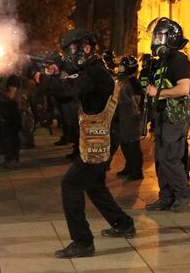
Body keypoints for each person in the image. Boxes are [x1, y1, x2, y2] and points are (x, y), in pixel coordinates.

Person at [33, 29, 135, 259]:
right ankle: (123, 223)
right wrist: (56, 71)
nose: (69, 54)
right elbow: (68, 85)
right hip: (101, 135)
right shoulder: (91, 70)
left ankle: (83, 242)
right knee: (93, 184)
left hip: (103, 137)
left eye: (71, 49)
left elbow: (69, 90)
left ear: (86, 48)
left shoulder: (95, 73)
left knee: (71, 185)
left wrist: (45, 77)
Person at [144, 17, 190, 213]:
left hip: (175, 117)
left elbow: (183, 89)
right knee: (160, 159)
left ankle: (183, 194)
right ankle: (165, 197)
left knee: (170, 159)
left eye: (159, 36)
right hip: (163, 117)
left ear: (170, 38)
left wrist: (157, 92)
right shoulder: (162, 61)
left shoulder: (179, 59)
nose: (155, 41)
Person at [112, 55, 144, 180]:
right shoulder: (122, 80)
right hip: (122, 116)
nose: (119, 68)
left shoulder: (133, 82)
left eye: (122, 66)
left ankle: (137, 171)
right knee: (124, 143)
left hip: (131, 117)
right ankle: (129, 166)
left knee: (133, 145)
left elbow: (136, 101)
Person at [0, 75, 22, 169]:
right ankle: (11, 159)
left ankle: (13, 160)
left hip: (12, 113)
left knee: (11, 138)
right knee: (11, 138)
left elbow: (11, 95)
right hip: (11, 113)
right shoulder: (11, 78)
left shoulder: (12, 79)